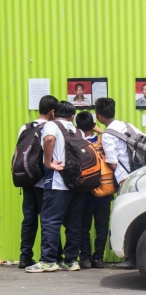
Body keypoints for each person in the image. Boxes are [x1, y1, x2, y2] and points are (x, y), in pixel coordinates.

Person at [25, 101, 86, 273]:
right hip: (76, 183)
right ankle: (71, 260)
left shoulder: (51, 125)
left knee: (50, 222)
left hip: (58, 182)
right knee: (73, 224)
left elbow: (50, 139)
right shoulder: (77, 130)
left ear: (54, 113)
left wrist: (48, 162)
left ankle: (48, 261)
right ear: (72, 116)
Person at [95, 97, 143, 269]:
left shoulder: (108, 135)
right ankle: (138, 257)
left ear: (99, 116)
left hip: (125, 179)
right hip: (140, 175)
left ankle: (131, 259)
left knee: (128, 217)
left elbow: (113, 162)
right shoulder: (128, 126)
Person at [17, 95, 64, 268]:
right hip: (45, 181)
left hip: (27, 179)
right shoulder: (51, 128)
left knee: (29, 219)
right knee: (49, 220)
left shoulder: (25, 127)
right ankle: (55, 256)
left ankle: (25, 256)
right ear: (52, 112)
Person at [75, 111, 113, 269]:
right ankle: (98, 259)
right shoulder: (103, 141)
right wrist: (99, 130)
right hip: (104, 189)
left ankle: (84, 258)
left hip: (83, 192)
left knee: (83, 226)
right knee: (101, 226)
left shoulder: (76, 143)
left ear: (77, 127)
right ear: (93, 125)